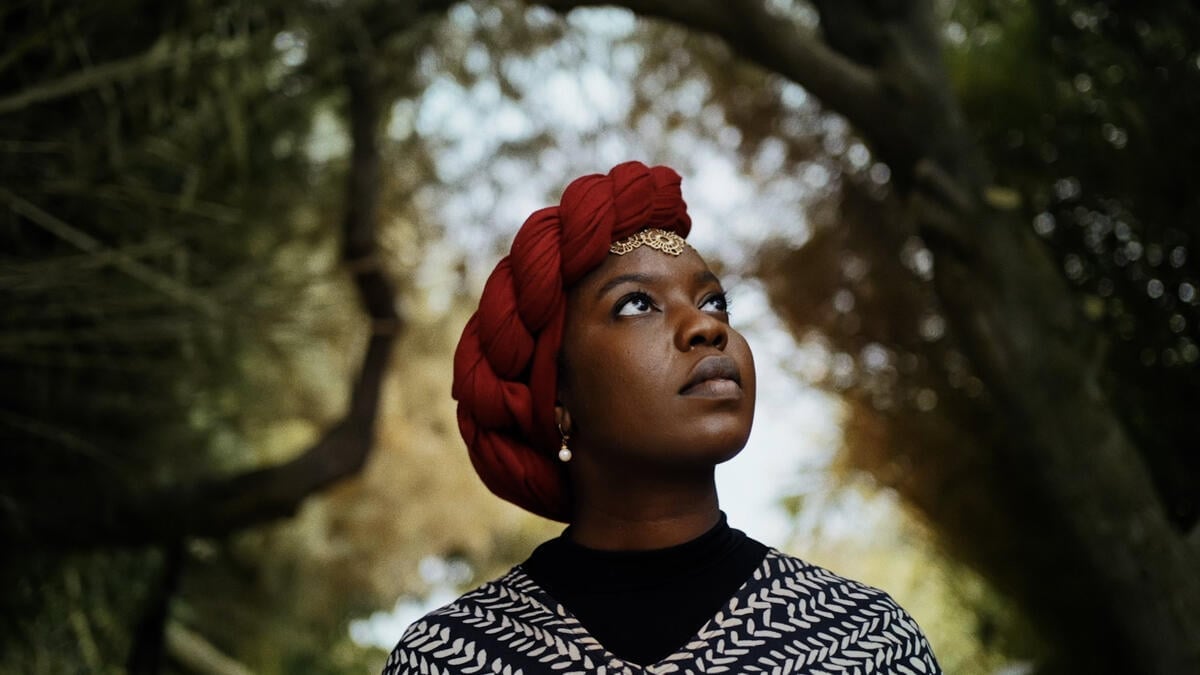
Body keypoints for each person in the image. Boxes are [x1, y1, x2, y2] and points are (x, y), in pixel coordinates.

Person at [382, 161, 941, 674]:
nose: (706, 327)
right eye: (636, 304)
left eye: (715, 301)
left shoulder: (863, 640)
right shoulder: (449, 659)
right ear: (558, 398)